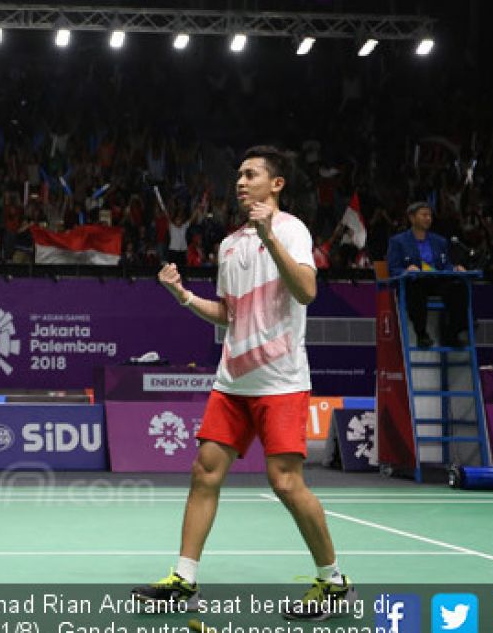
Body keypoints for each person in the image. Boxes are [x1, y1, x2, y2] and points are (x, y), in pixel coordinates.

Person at [133, 146, 355, 622]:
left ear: (275, 184)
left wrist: (269, 237)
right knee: (204, 472)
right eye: (237, 174)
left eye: (250, 174)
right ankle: (184, 580)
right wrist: (185, 296)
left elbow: (307, 291)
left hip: (280, 381)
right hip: (233, 380)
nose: (239, 181)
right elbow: (229, 316)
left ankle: (333, 579)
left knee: (286, 482)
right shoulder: (229, 245)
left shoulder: (292, 230)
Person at [385, 202, 469, 348]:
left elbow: (445, 265)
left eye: (430, 215)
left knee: (458, 288)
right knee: (416, 291)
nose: (428, 218)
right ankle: (422, 334)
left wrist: (455, 268)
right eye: (424, 215)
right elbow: (393, 268)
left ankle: (453, 332)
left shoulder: (439, 241)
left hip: (436, 281)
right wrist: (406, 270)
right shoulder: (398, 241)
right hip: (414, 281)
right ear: (412, 218)